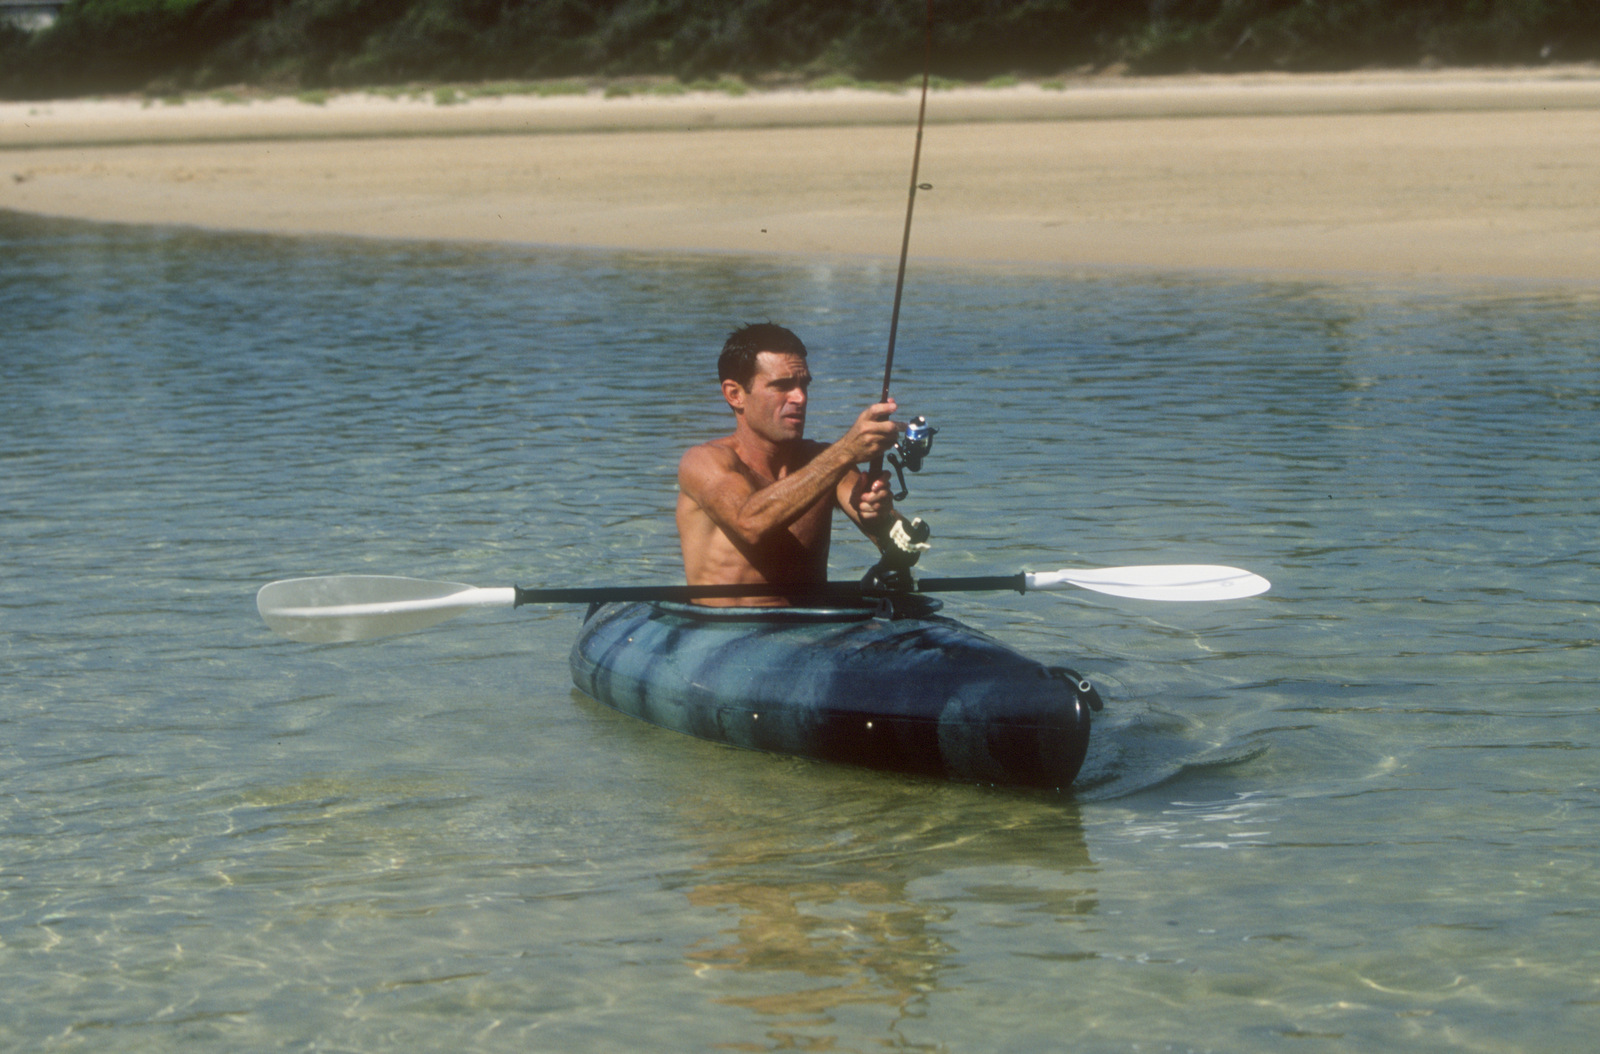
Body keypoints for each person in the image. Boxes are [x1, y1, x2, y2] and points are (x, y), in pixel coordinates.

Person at [676, 323, 925, 606]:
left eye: (803, 385)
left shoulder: (825, 461)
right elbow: (749, 524)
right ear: (735, 394)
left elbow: (907, 550)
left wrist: (882, 522)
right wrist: (846, 451)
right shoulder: (703, 461)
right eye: (782, 386)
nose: (800, 398)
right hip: (726, 632)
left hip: (811, 629)